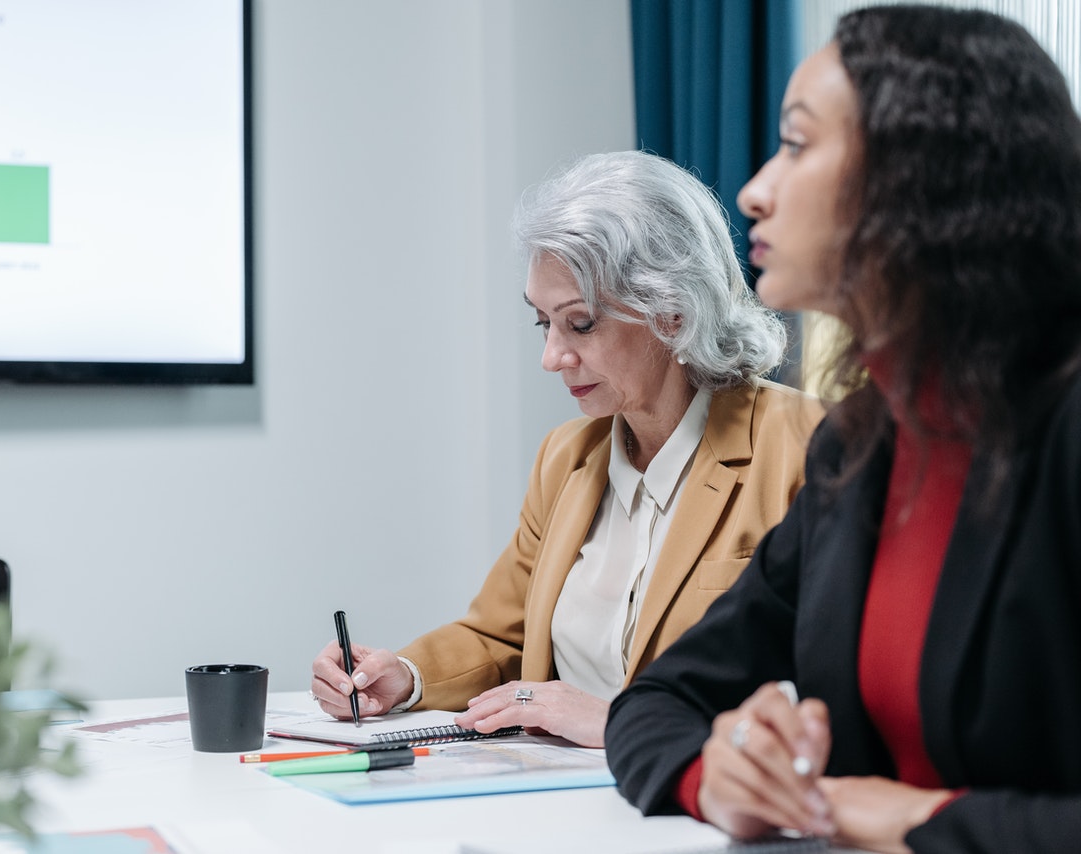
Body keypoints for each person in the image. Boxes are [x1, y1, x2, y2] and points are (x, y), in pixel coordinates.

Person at [605, 6, 1081, 853]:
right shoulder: (858, 450)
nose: (754, 191)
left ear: (922, 174)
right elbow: (656, 700)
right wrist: (720, 776)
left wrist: (921, 820)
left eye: (796, 144)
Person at [309, 150, 823, 748]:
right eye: (543, 323)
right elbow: (503, 635)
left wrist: (619, 725)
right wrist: (403, 676)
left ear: (674, 312)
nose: (552, 357)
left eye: (580, 324)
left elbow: (829, 688)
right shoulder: (565, 457)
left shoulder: (808, 448)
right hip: (556, 792)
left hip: (698, 791)